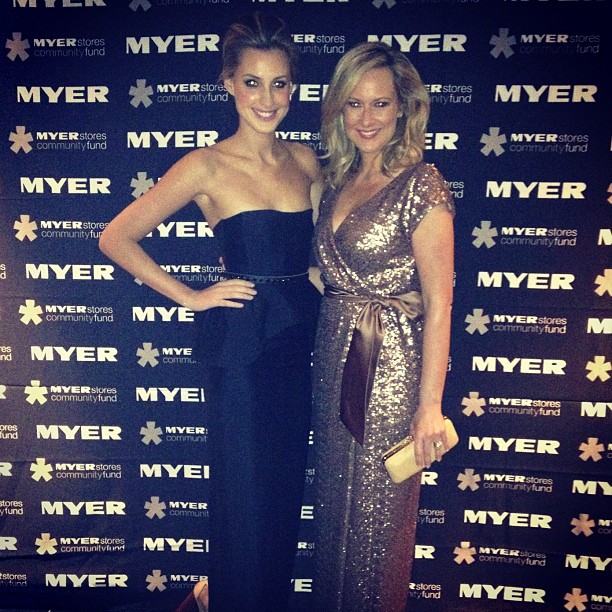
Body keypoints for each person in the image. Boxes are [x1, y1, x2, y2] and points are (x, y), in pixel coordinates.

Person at [99, 12, 321, 612]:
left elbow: (320, 253)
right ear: (228, 84)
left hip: (298, 343)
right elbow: (116, 237)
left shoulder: (306, 160)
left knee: (281, 492)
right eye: (252, 83)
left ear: (293, 88)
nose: (267, 99)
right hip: (242, 350)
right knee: (243, 497)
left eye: (279, 84)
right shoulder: (205, 165)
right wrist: (192, 296)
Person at [311, 41, 455, 611]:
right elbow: (326, 272)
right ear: (338, 110)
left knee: (378, 524)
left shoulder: (423, 183)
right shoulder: (335, 180)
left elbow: (440, 303)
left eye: (380, 103)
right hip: (333, 359)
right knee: (334, 516)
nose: (366, 118)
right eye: (353, 103)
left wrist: (429, 406)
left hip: (392, 366)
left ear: (403, 108)